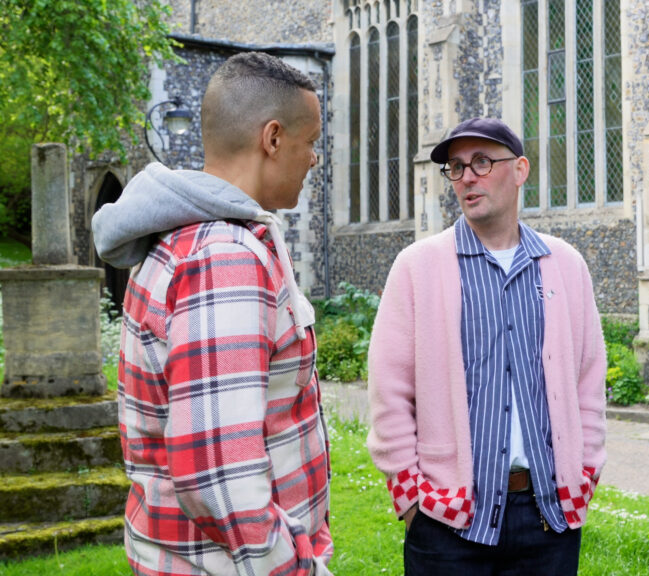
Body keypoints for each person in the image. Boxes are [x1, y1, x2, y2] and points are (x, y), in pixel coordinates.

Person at [92, 52, 333, 575]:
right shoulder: (223, 257)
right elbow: (219, 478)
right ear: (273, 138)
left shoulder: (190, 240)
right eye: (310, 141)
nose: (314, 158)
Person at [366, 117, 607, 575]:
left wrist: (586, 472)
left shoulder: (564, 265)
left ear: (520, 170)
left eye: (481, 162)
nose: (466, 177)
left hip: (548, 518)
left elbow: (589, 381)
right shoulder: (418, 267)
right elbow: (389, 392)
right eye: (456, 167)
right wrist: (411, 497)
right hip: (446, 521)